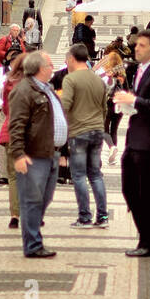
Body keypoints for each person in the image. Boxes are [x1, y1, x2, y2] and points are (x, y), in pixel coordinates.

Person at [112, 30, 150, 257]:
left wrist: (134, 99)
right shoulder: (138, 70)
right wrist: (126, 104)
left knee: (146, 194)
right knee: (129, 190)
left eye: (142, 46)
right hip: (135, 139)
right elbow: (141, 105)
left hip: (149, 141)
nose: (137, 48)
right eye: (136, 45)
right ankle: (146, 236)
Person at [7, 52, 67, 258]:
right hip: (34, 155)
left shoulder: (47, 89)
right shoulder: (23, 91)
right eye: (50, 65)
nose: (53, 68)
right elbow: (16, 125)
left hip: (51, 153)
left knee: (45, 198)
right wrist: (18, 154)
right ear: (41, 68)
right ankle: (33, 245)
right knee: (32, 200)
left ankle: (33, 236)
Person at [60, 44, 109, 228]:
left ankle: (85, 217)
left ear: (72, 59)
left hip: (79, 131)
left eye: (67, 60)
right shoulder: (98, 80)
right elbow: (105, 108)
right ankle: (103, 217)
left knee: (79, 175)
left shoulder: (70, 79)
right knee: (96, 174)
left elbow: (65, 106)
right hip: (97, 129)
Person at [0, 52, 27, 225]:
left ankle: (15, 215)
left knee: (13, 176)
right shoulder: (32, 84)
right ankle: (31, 212)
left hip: (9, 130)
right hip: (27, 133)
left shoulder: (8, 82)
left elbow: (5, 108)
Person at [96, 47, 126, 164]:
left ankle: (111, 147)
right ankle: (113, 157)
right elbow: (127, 89)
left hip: (108, 103)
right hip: (119, 104)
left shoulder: (105, 73)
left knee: (103, 129)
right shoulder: (122, 74)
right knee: (114, 129)